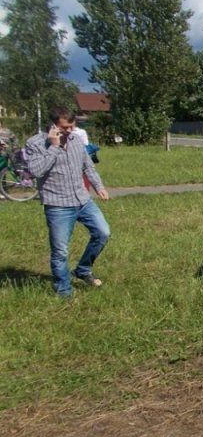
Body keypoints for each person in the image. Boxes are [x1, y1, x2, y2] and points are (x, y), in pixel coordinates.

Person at [24, 108, 110, 298]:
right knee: (60, 250)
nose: (70, 131)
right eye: (65, 127)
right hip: (58, 204)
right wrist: (54, 146)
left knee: (103, 233)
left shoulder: (76, 139)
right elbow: (36, 171)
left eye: (72, 126)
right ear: (53, 126)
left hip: (82, 200)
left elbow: (87, 165)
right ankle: (64, 290)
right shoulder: (35, 143)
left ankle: (83, 269)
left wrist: (98, 186)